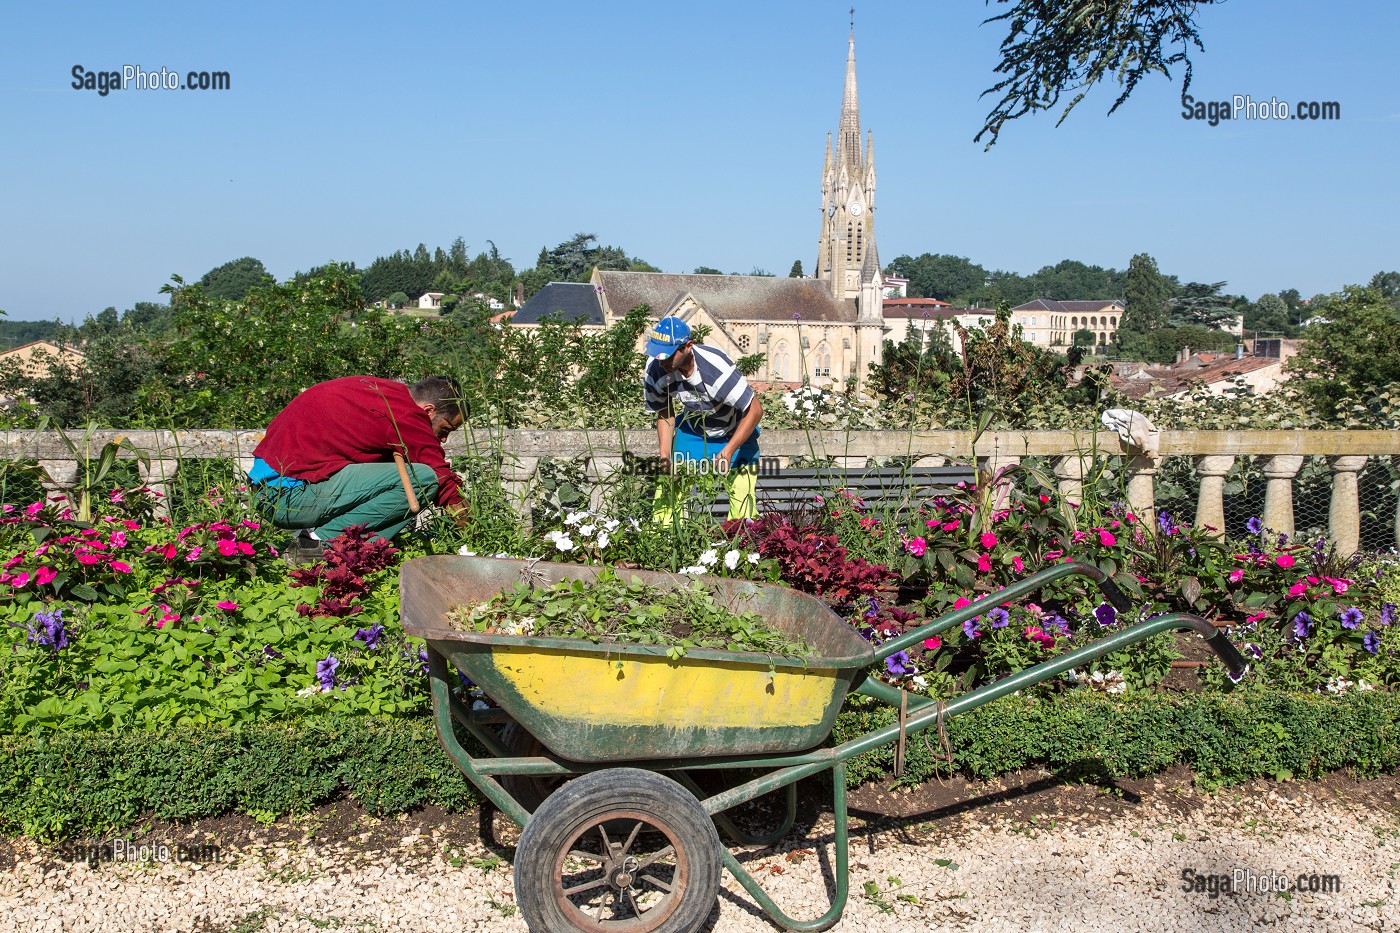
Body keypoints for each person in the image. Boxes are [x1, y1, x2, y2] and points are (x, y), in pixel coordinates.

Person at [249, 375, 468, 554]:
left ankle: (324, 543)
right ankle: (315, 548)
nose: (444, 439)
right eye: (445, 429)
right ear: (429, 411)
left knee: (395, 470)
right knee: (423, 479)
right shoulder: (405, 412)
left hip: (269, 491)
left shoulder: (382, 393)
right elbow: (441, 479)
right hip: (287, 497)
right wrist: (471, 532)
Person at [642, 317, 763, 521]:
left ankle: (743, 545)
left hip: (735, 432)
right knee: (668, 490)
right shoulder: (656, 369)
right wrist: (665, 456)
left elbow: (755, 410)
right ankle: (661, 541)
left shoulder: (715, 370)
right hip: (693, 432)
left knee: (743, 507)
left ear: (688, 346)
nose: (661, 362)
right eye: (657, 354)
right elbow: (665, 410)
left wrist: (729, 451)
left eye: (668, 356)